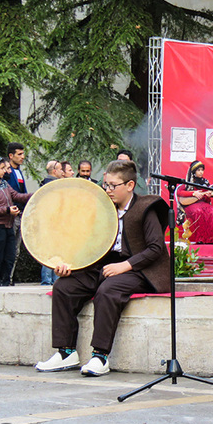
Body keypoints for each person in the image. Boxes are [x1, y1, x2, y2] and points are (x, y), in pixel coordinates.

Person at [35, 160, 171, 376]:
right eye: (105, 184)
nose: (107, 190)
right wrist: (68, 264)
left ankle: (100, 356)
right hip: (103, 266)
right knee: (63, 287)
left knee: (107, 291)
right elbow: (85, 243)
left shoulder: (145, 208)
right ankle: (66, 352)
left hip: (137, 269)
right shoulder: (102, 209)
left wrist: (125, 266)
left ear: (129, 185)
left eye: (112, 185)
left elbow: (155, 248)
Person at [0, 156, 33, 286]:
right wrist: (7, 210)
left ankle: (5, 283)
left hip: (8, 225)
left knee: (9, 256)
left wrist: (34, 195)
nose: (5, 171)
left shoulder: (4, 183)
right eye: (2, 168)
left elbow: (16, 196)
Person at [176, 160, 213, 243]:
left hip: (203, 203)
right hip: (190, 205)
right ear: (193, 171)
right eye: (198, 170)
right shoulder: (188, 181)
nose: (201, 172)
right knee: (198, 212)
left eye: (202, 170)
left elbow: (207, 199)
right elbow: (179, 192)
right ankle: (201, 239)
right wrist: (193, 193)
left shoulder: (205, 182)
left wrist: (208, 195)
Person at [5, 142, 27, 284]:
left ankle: (10, 277)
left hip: (20, 214)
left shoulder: (19, 172)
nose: (22, 157)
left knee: (16, 250)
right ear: (10, 156)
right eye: (19, 154)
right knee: (9, 248)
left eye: (23, 154)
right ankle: (5, 278)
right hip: (11, 215)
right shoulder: (7, 173)